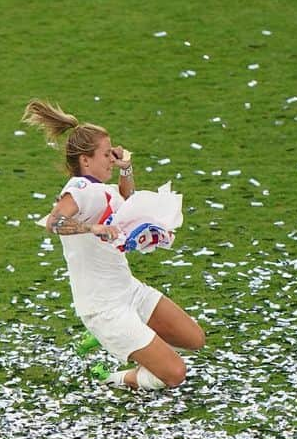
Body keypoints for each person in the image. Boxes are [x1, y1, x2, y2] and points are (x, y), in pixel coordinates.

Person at [21, 100, 205, 389]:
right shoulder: (78, 190)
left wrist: (126, 168)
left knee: (194, 339)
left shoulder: (101, 190)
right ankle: (111, 377)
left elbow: (125, 198)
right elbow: (53, 223)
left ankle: (126, 343)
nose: (111, 158)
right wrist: (92, 227)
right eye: (107, 154)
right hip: (103, 307)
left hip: (128, 290)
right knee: (174, 374)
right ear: (85, 160)